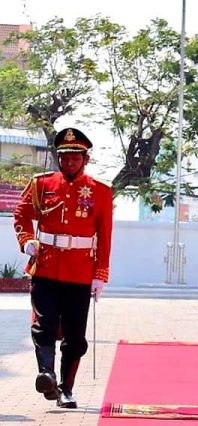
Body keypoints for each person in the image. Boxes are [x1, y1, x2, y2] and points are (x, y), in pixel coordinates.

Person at [13, 127, 113, 409]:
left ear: (86, 159)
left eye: (75, 158)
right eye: (64, 158)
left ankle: (66, 389)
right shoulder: (41, 184)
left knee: (74, 335)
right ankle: (47, 374)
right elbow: (21, 213)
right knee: (43, 324)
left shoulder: (100, 191)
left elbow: (105, 235)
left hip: (80, 272)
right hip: (45, 267)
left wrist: (100, 274)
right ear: (58, 157)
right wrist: (26, 239)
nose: (69, 163)